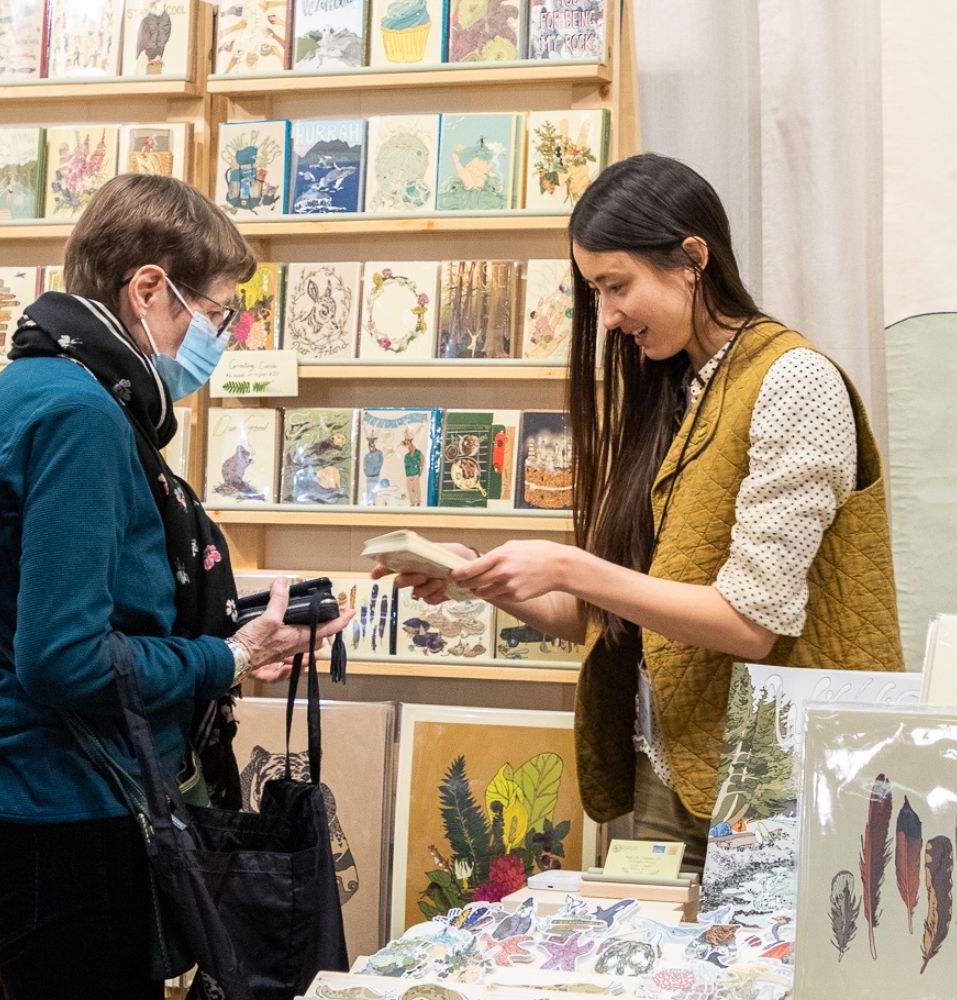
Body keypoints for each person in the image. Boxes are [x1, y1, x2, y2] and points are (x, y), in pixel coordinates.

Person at [382, 154, 904, 870]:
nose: (609, 316)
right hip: (671, 770)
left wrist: (569, 565)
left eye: (617, 285)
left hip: (775, 784)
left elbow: (749, 625)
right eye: (597, 292)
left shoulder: (794, 382)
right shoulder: (676, 391)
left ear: (693, 259)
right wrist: (483, 578)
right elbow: (608, 618)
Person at [0, 174, 353, 999]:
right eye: (219, 313)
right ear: (150, 288)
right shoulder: (81, 415)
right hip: (62, 814)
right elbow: (66, 659)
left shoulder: (33, 389)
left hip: (28, 802)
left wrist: (228, 633)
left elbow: (74, 605)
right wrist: (228, 657)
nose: (221, 338)